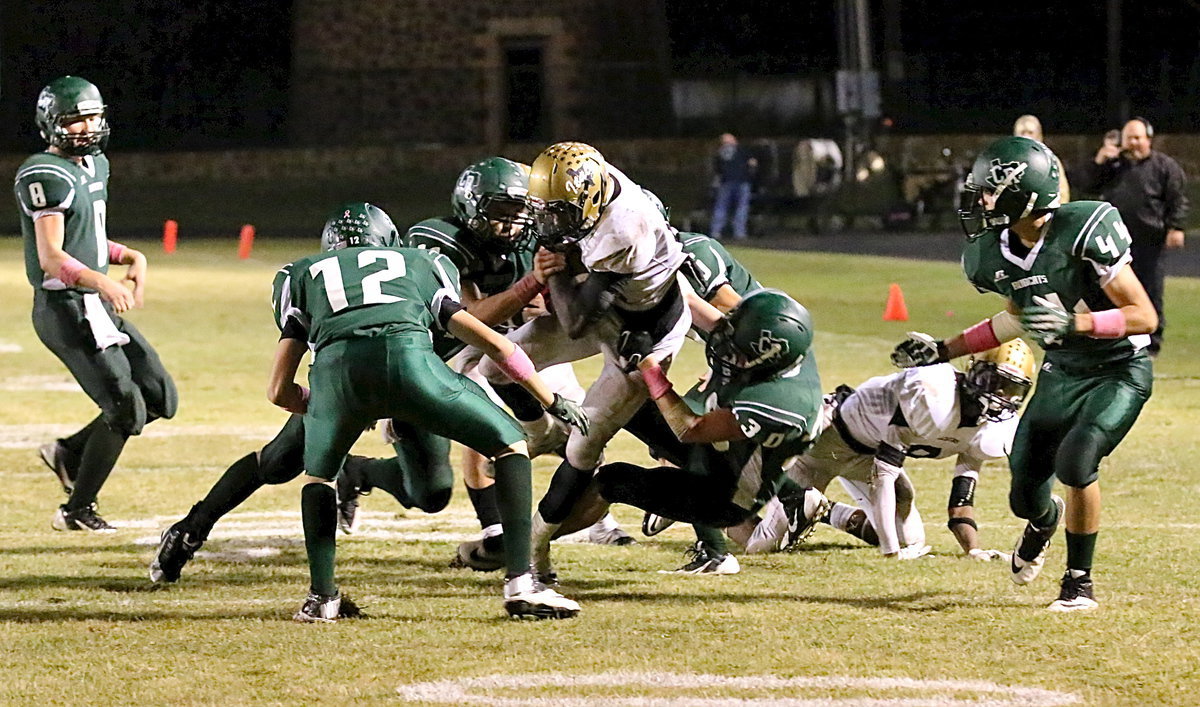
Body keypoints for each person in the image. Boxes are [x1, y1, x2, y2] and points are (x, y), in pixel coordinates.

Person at [147, 167, 568, 583]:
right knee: (278, 461)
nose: (513, 220)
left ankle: (356, 478)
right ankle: (190, 530)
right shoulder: (429, 251)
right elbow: (472, 320)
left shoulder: (312, 271)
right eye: (502, 208)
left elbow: (279, 385)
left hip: (414, 377)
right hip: (385, 371)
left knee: (431, 494)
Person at [269, 202, 588, 621]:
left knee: (320, 477)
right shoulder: (420, 261)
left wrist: (323, 408)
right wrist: (550, 400)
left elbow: (279, 391)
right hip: (415, 368)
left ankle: (321, 598)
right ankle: (520, 583)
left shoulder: (301, 273)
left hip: (337, 380)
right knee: (510, 442)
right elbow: (498, 345)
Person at [892, 136, 1157, 612]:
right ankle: (1043, 521)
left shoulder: (1082, 229)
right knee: (1024, 494)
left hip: (1118, 368)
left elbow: (1143, 315)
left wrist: (1080, 322)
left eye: (991, 190)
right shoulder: (997, 251)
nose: (981, 200)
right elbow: (1013, 317)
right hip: (1061, 371)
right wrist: (943, 348)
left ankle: (1078, 583)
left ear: (1026, 192)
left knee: (1077, 463)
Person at [474, 142, 694, 586]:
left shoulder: (625, 228)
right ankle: (537, 434)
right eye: (548, 210)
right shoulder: (589, 179)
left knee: (583, 447)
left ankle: (535, 551)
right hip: (610, 308)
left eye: (561, 212)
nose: (552, 221)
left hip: (643, 335)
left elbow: (575, 322)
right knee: (495, 364)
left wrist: (551, 268)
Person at [544, 289, 823, 574]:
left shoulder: (781, 405)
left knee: (613, 481)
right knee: (622, 403)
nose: (726, 348)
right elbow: (692, 303)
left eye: (737, 351)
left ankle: (534, 541)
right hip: (721, 452)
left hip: (726, 491)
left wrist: (649, 367)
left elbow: (689, 429)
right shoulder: (781, 351)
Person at [15, 76, 177, 532]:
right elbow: (52, 258)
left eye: (92, 117)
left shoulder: (95, 164)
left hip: (92, 302)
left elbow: (86, 236)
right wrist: (102, 284)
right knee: (126, 408)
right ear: (52, 125)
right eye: (76, 119)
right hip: (64, 307)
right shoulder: (43, 174)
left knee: (160, 397)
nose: (87, 127)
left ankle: (68, 452)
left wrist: (127, 255)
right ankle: (76, 510)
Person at [732, 339, 1034, 562]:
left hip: (868, 454)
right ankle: (780, 499)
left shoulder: (990, 429)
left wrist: (974, 550)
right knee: (760, 546)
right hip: (831, 438)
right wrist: (890, 553)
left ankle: (827, 511)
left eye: (1012, 390)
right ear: (976, 373)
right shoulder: (933, 394)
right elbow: (884, 475)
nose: (1000, 397)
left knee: (911, 539)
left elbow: (961, 501)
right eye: (996, 383)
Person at [1077, 117, 1189, 357]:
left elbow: (1177, 199)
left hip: (1149, 241)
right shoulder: (1113, 165)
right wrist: (1100, 160)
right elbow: (1087, 185)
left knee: (1150, 291)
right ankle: (1114, 340)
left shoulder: (1164, 166)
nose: (1133, 143)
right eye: (1129, 138)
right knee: (1110, 292)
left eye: (1138, 138)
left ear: (1148, 140)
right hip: (1114, 242)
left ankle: (1151, 345)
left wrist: (1175, 227)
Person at [1012, 114, 1071, 203]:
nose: (1026, 136)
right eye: (1023, 132)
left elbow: (1062, 193)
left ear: (1039, 135)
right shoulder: (1007, 159)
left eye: (1030, 132)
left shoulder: (1051, 160)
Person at [709, 133, 758, 241]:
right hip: (742, 181)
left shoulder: (720, 153)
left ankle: (716, 231)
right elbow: (753, 163)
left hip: (726, 182)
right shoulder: (742, 150)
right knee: (741, 208)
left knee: (721, 207)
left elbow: (717, 168)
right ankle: (739, 232)